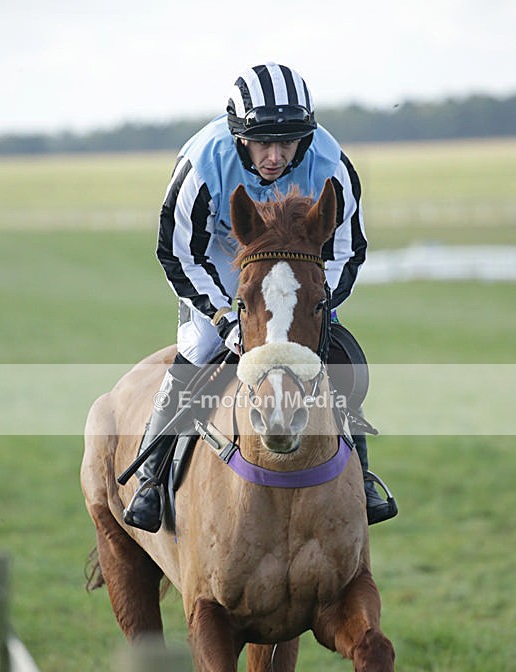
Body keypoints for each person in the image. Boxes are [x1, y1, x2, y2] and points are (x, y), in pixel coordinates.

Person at [123, 62, 397, 533]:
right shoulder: (203, 165)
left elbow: (347, 250)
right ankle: (152, 476)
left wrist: (315, 307)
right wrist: (223, 316)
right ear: (238, 137)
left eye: (287, 144)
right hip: (221, 264)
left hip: (298, 273)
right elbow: (178, 252)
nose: (274, 156)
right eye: (262, 143)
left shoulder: (333, 166)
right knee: (198, 349)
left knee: (334, 354)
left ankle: (363, 476)